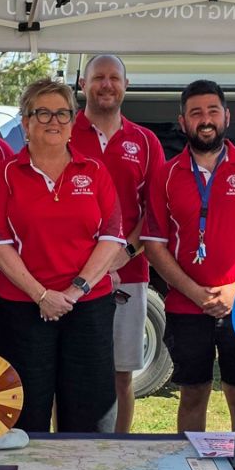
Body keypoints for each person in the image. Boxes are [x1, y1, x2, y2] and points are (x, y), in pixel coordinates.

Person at [141, 80, 235, 433]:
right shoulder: (165, 175)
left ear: (226, 116)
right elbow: (154, 245)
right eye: (196, 113)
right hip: (186, 305)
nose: (205, 120)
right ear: (183, 121)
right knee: (193, 393)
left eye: (212, 111)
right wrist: (194, 292)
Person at [0, 78, 125, 433]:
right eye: (42, 113)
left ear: (73, 122)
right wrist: (41, 296)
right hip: (24, 306)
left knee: (89, 409)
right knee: (26, 410)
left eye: (62, 113)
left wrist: (75, 291)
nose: (53, 121)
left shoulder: (94, 171)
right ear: (25, 122)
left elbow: (111, 237)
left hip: (87, 305)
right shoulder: (5, 175)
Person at [71, 54, 165, 433]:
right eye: (98, 78)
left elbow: (156, 209)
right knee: (71, 375)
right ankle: (65, 451)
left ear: (126, 85)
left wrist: (121, 253)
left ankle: (119, 453)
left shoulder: (145, 140)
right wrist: (88, 268)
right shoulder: (63, 132)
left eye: (114, 78)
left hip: (128, 273)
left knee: (121, 374)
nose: (106, 85)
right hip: (69, 277)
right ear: (83, 84)